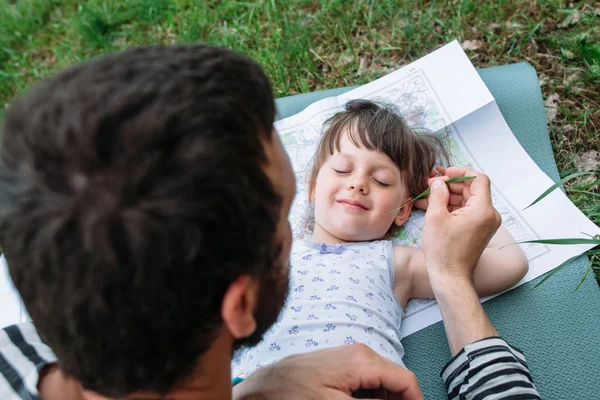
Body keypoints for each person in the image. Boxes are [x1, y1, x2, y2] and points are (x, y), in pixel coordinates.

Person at [0, 44, 540, 400]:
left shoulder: (26, 350)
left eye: (379, 181)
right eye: (281, 218)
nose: (354, 186)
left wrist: (252, 387)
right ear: (237, 305)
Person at [232, 100, 529, 378]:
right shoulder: (272, 249)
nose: (358, 183)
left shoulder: (396, 262)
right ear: (312, 187)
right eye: (342, 169)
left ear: (403, 211)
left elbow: (509, 263)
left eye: (381, 181)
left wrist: (463, 207)